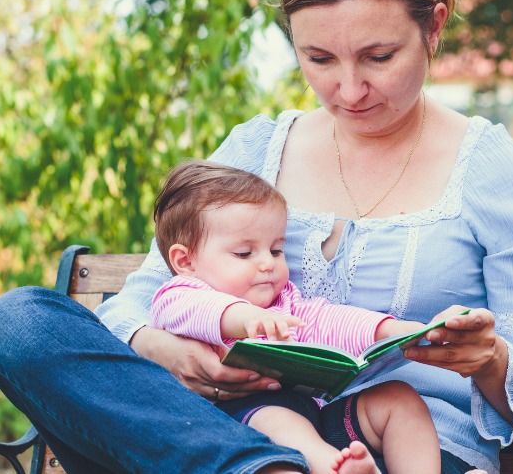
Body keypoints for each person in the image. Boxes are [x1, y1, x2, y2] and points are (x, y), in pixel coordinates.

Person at [0, 0, 513, 473]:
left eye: (379, 57)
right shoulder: (256, 148)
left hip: (404, 446)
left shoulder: (498, 173)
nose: (348, 90)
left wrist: (489, 359)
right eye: (318, 59)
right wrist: (175, 356)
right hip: (225, 430)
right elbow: (137, 306)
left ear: (433, 27)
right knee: (21, 320)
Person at [149, 160, 441, 474]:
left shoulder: (284, 300)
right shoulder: (178, 294)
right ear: (186, 260)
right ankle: (336, 469)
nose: (267, 264)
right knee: (281, 421)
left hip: (315, 418)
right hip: (237, 425)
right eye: (245, 253)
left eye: (275, 250)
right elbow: (197, 311)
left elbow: (331, 320)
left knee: (399, 400)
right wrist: (246, 318)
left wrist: (398, 331)